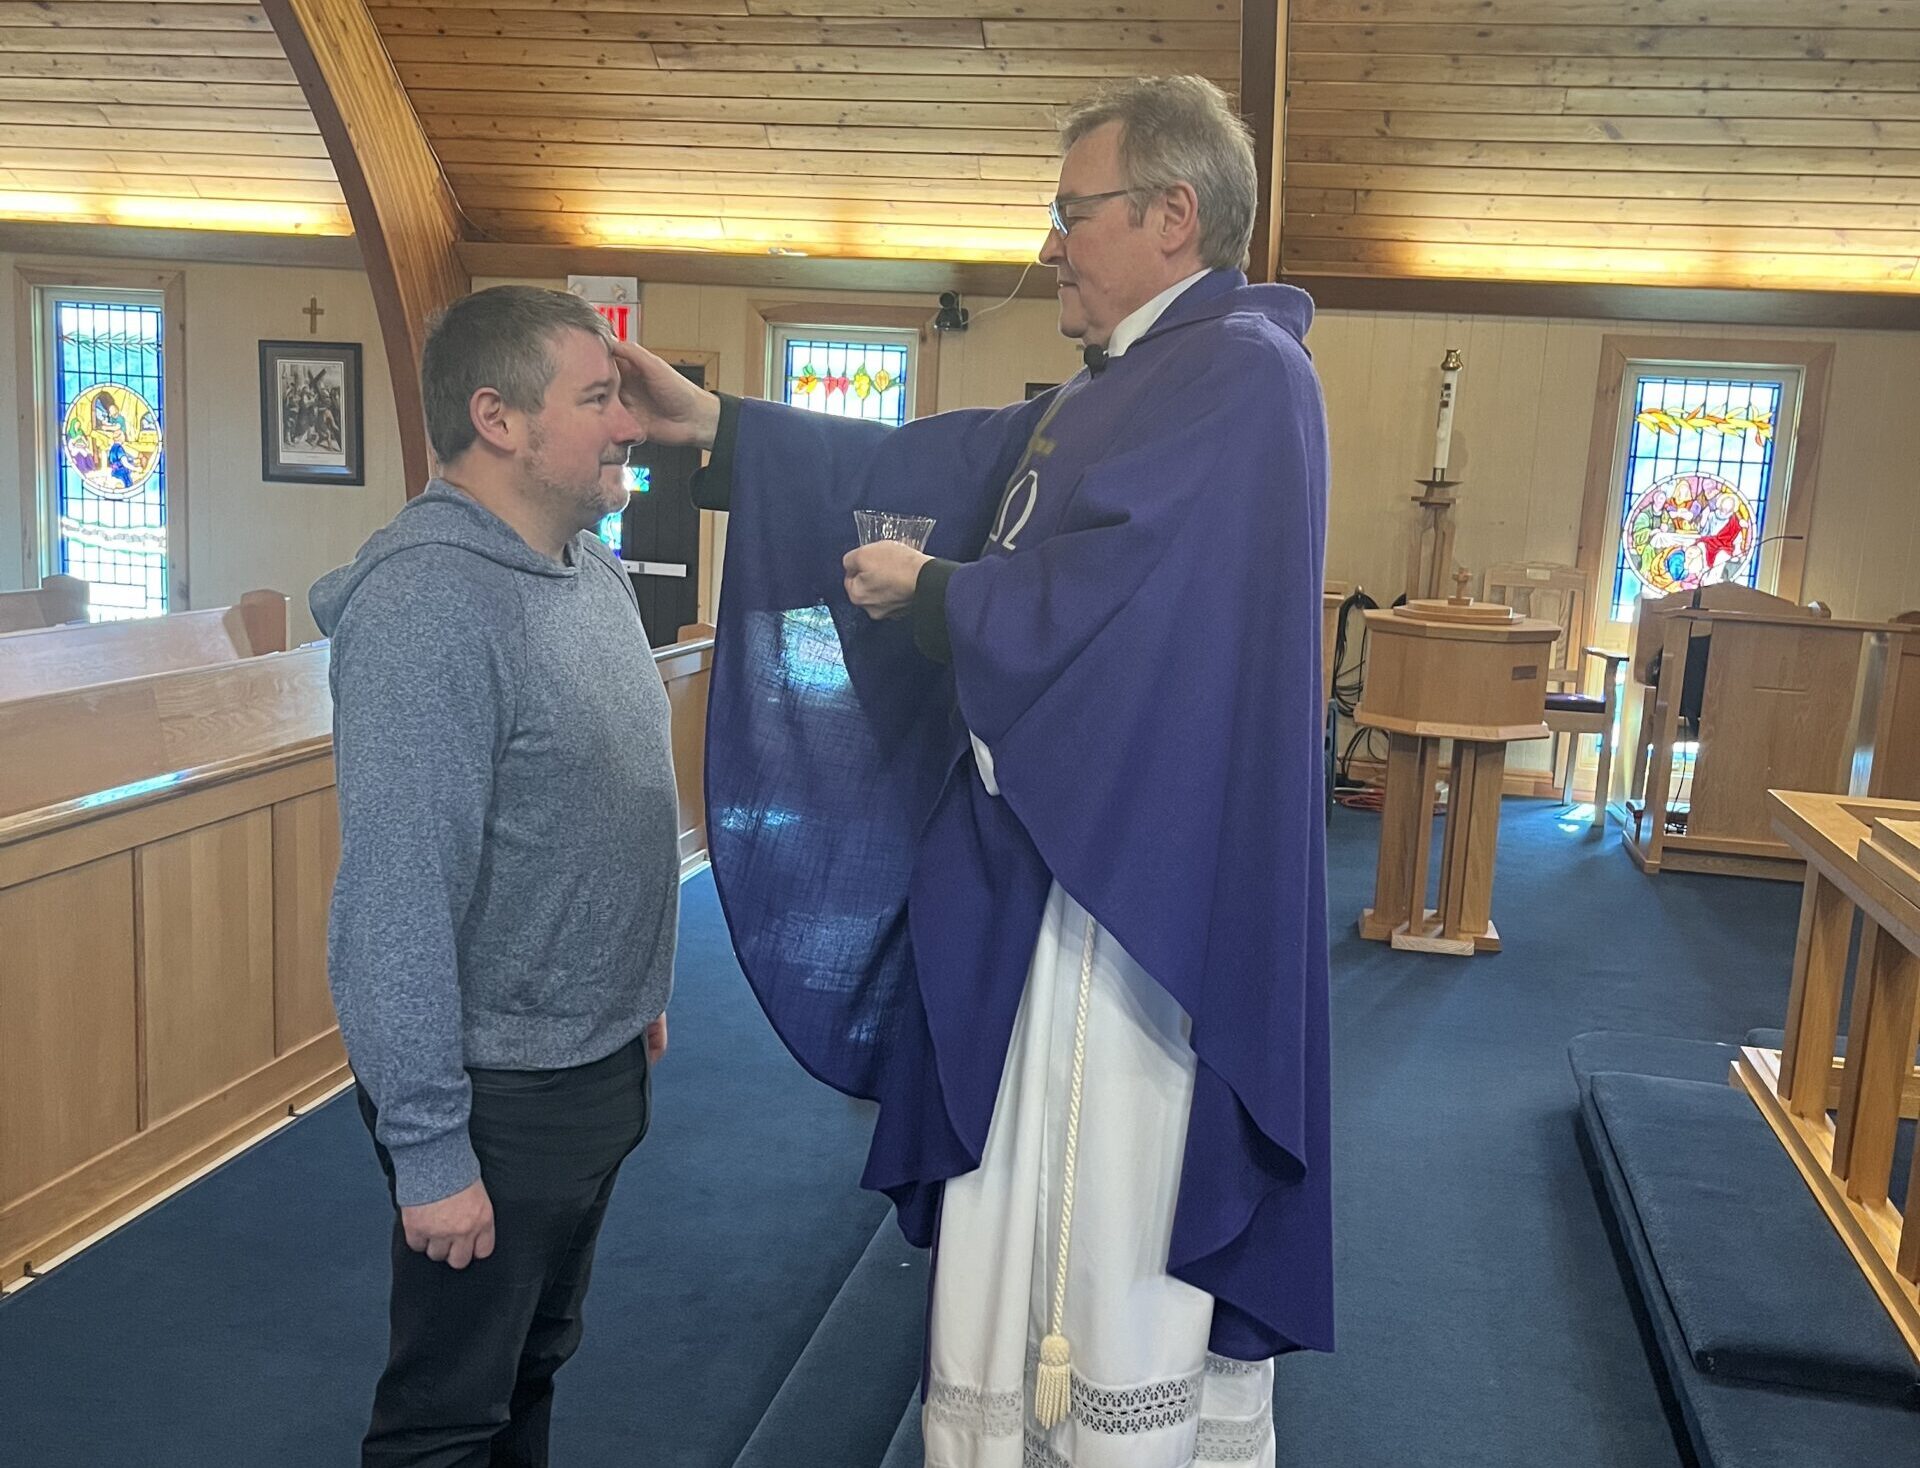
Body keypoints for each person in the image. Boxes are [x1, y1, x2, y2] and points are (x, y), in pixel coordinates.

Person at [618, 74, 1332, 1468]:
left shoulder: (1246, 380)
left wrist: (946, 598)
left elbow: (1136, 605)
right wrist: (722, 429)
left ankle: (1111, 1435)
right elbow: (936, 461)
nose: (1049, 244)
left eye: (1072, 212)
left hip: (1147, 897)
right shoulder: (1113, 390)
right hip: (1054, 876)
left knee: (1115, 1181)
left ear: (1172, 215)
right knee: (1030, 1182)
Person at [311, 285, 676, 1468]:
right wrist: (429, 1146)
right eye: (599, 395)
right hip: (496, 1091)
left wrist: (631, 990)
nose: (629, 423)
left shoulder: (589, 572)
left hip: (589, 1058)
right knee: (446, 1416)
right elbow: (396, 898)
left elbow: (588, 811)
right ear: (498, 418)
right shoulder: (428, 606)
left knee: (532, 1364)